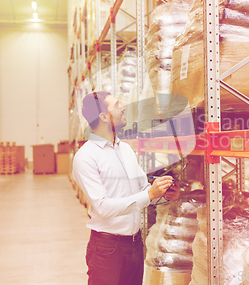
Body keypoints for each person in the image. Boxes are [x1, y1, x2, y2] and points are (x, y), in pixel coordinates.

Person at [72, 91, 179, 285]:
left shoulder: (126, 150)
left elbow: (143, 189)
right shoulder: (85, 157)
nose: (123, 109)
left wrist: (164, 195)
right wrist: (149, 194)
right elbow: (103, 208)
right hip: (107, 250)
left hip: (134, 245)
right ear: (104, 117)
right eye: (117, 105)